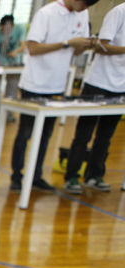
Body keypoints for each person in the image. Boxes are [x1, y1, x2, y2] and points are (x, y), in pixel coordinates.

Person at [9, 0, 97, 194]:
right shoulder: (47, 13)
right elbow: (33, 49)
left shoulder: (82, 14)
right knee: (25, 133)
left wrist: (86, 44)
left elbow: (77, 51)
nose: (85, 9)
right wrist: (66, 43)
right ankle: (16, 177)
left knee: (45, 135)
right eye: (84, 4)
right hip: (34, 84)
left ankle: (36, 175)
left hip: (57, 85)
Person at [64, 2, 125, 194]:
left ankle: (93, 175)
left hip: (120, 86)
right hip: (98, 82)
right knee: (84, 133)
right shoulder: (119, 12)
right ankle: (71, 176)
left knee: (105, 137)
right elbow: (100, 47)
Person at [0, 15, 26, 119]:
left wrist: (16, 51)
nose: (4, 31)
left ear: (12, 25)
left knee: (12, 88)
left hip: (13, 63)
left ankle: (8, 114)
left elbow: (23, 45)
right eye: (3, 28)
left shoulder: (19, 29)